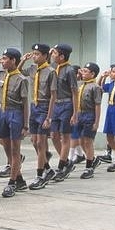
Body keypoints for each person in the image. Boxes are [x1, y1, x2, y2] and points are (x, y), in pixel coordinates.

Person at [0, 48, 29, 198]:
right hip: (3, 112)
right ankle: (20, 178)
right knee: (4, 142)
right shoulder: (1, 75)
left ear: (13, 60)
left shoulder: (21, 79)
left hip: (16, 113)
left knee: (15, 149)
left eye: (5, 59)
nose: (2, 61)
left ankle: (12, 183)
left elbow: (25, 103)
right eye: (2, 59)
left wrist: (25, 125)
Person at [18, 44, 56, 189]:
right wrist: (23, 60)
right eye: (33, 53)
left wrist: (49, 117)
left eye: (38, 54)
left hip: (44, 107)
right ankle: (47, 167)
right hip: (34, 106)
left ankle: (40, 176)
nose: (34, 56)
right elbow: (19, 71)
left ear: (46, 56)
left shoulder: (51, 72)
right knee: (34, 141)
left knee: (40, 143)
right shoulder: (33, 69)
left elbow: (53, 95)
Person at [49, 44, 78, 182]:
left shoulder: (69, 70)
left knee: (65, 137)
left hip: (67, 105)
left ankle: (61, 167)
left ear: (62, 56)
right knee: (53, 135)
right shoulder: (53, 68)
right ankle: (66, 162)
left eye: (54, 53)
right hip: (55, 105)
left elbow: (75, 93)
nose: (52, 54)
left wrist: (75, 113)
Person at [72, 63, 102, 179]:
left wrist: (96, 122)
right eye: (82, 71)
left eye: (86, 71)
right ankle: (92, 159)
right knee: (80, 140)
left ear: (92, 74)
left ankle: (89, 167)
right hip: (80, 114)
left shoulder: (95, 87)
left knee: (88, 141)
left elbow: (97, 106)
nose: (82, 73)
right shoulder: (80, 84)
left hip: (89, 115)